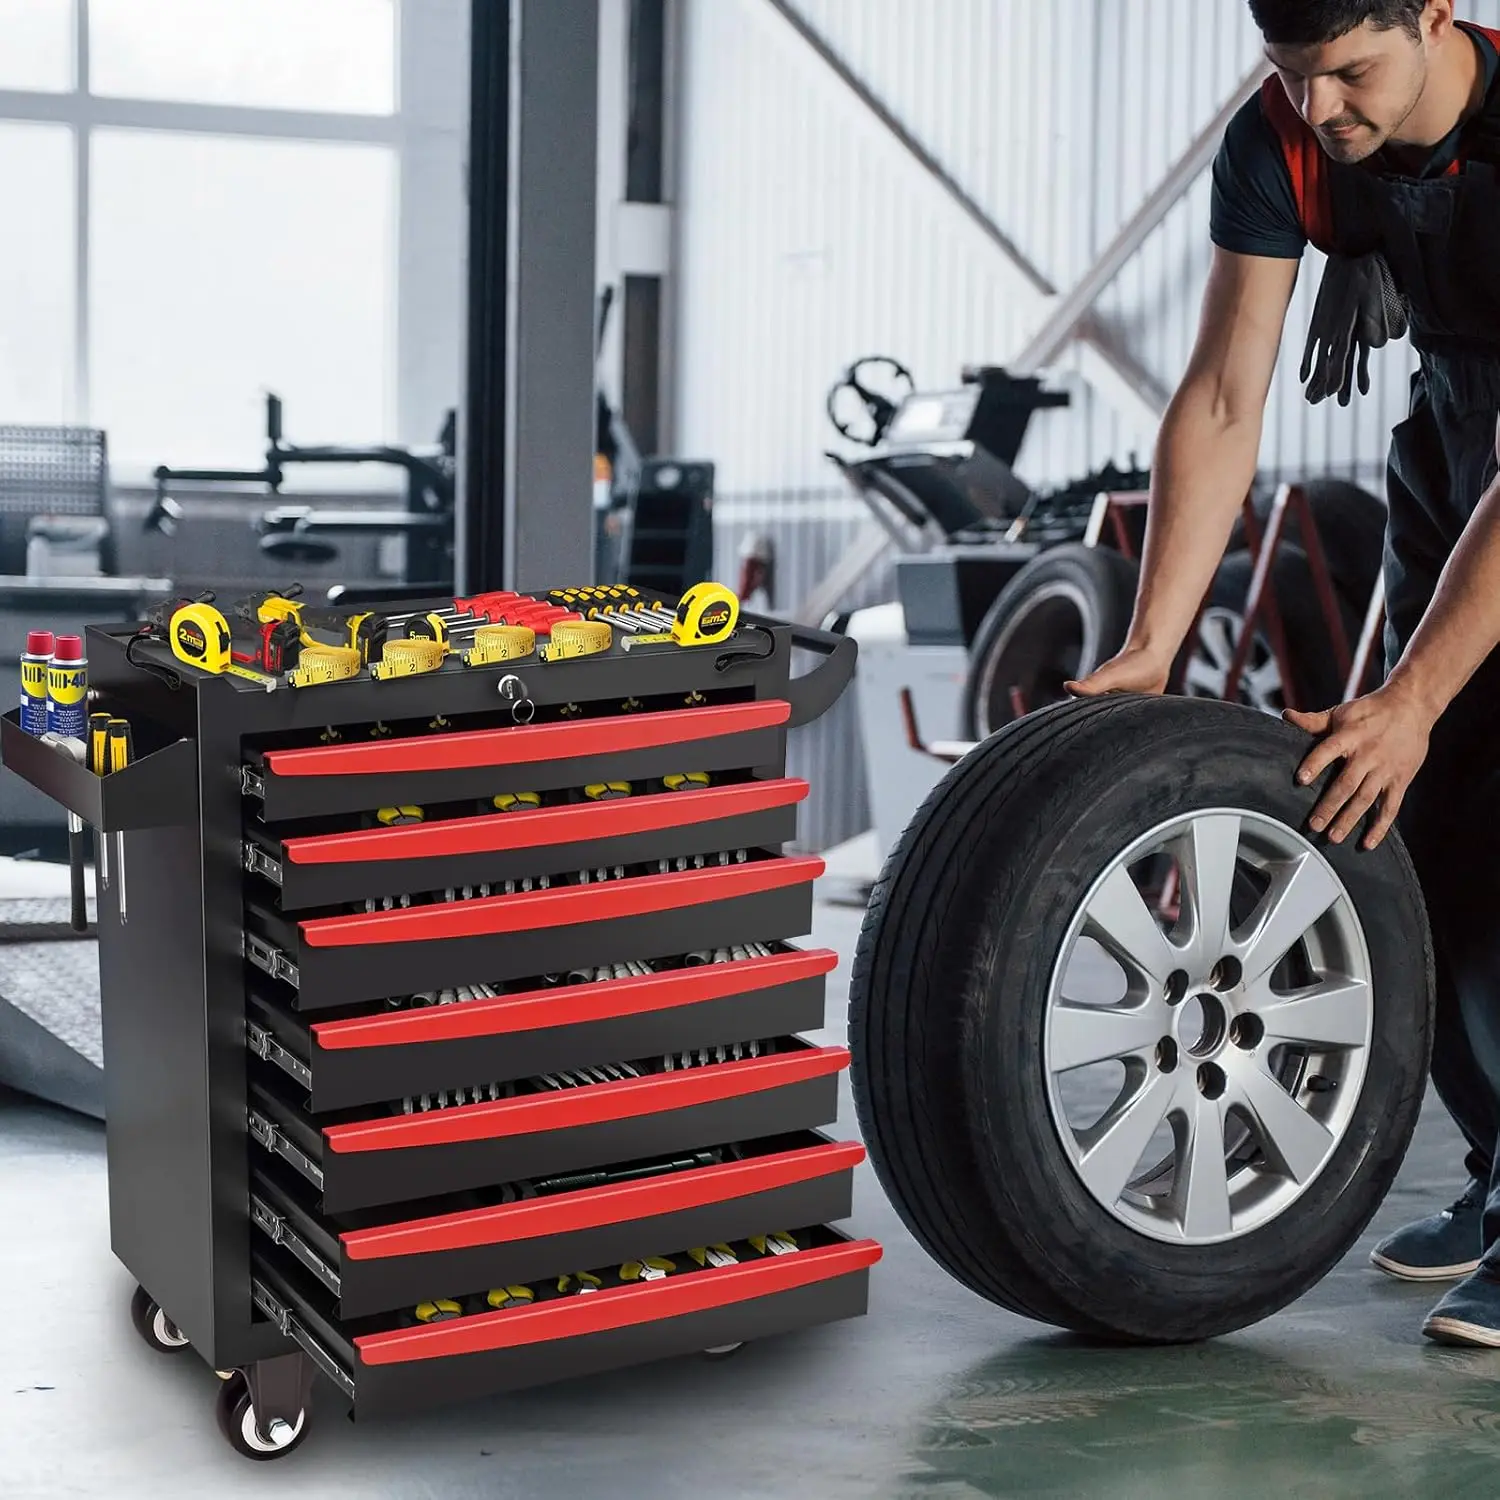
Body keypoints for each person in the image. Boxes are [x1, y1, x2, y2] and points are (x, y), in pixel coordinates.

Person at [1067, 0, 1500, 1347]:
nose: (1324, 111)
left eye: (1352, 73)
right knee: (1408, 822)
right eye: (1292, 77)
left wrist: (1419, 695)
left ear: (1436, 15)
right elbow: (1220, 388)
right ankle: (1497, 1176)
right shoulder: (1290, 134)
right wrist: (1151, 644)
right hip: (1450, 435)